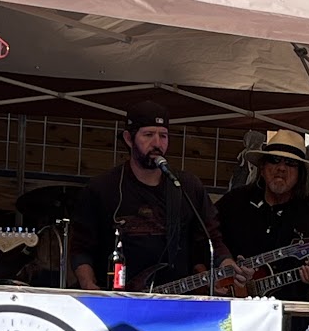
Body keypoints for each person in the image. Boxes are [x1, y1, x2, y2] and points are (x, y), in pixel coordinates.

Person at [68, 109, 234, 291]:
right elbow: (81, 248)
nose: (157, 143)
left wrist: (226, 262)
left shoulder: (186, 186)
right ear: (128, 139)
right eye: (148, 135)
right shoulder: (102, 188)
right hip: (116, 299)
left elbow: (210, 239)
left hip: (174, 298)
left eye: (163, 136)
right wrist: (88, 285)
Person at [216, 130, 309, 300]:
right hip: (233, 309)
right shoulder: (234, 202)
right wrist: (221, 263)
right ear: (262, 168)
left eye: (290, 163)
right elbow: (204, 236)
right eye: (274, 160)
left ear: (300, 174)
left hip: (289, 316)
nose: (281, 168)